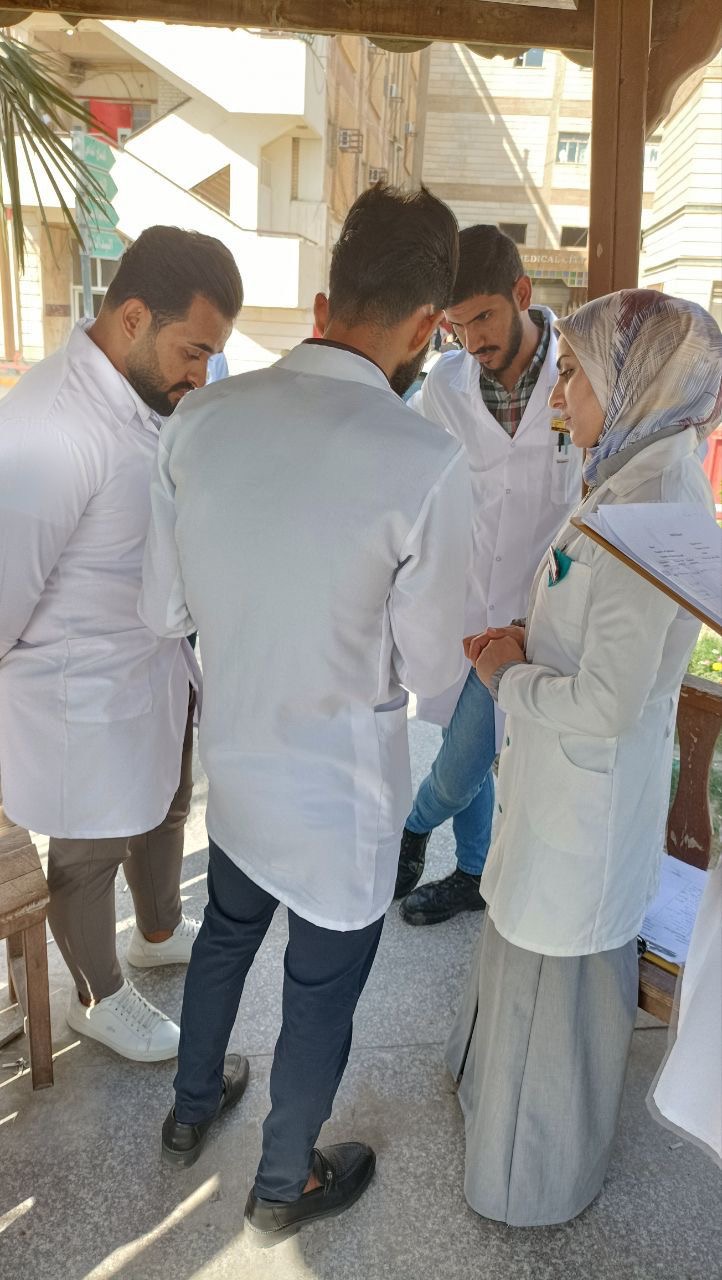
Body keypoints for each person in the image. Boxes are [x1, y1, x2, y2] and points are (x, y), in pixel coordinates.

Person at [139, 185, 471, 1245]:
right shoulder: (425, 462)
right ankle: (284, 1180)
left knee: (227, 935)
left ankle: (191, 1105)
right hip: (339, 797)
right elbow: (434, 670)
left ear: (327, 301)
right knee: (319, 987)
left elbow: (163, 611)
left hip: (240, 768)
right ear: (427, 327)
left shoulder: (202, 419)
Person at [445, 289, 721, 1227]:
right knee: (526, 955)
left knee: (552, 988)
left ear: (636, 381)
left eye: (574, 375)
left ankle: (531, 1184)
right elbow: (591, 627)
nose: (560, 397)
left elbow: (606, 703)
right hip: (559, 784)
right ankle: (502, 1132)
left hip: (584, 802)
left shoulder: (656, 508)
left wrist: (505, 676)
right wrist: (530, 641)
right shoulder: (628, 475)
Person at [0, 226, 243, 1062]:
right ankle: (96, 998)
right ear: (134, 317)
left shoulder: (145, 394)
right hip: (83, 692)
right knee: (89, 851)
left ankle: (157, 931)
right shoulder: (49, 427)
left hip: (153, 667)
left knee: (165, 805)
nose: (201, 374)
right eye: (193, 351)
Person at [394, 225, 583, 926]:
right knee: (462, 741)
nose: (471, 339)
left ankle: (413, 823)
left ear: (522, 293)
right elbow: (415, 468)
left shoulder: (579, 374)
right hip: (465, 597)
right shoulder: (446, 385)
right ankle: (474, 871)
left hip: (542, 612)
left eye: (483, 317)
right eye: (457, 324)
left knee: (466, 757)